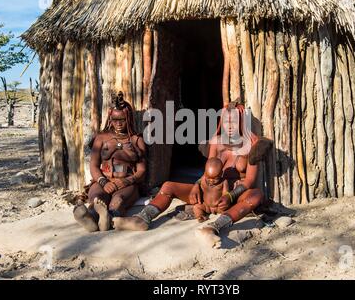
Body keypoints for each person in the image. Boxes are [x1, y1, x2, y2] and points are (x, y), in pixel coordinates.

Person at [113, 101, 266, 248]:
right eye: (226, 121)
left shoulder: (253, 144)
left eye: (234, 121)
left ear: (241, 122)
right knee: (168, 186)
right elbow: (208, 171)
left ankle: (213, 228)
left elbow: (250, 181)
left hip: (233, 197)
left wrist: (231, 195)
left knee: (256, 195)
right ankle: (142, 219)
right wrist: (196, 185)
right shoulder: (216, 141)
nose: (230, 126)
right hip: (210, 191)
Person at [73, 92, 147, 232]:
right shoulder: (101, 138)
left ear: (129, 118)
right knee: (96, 197)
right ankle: (92, 216)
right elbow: (94, 165)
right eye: (114, 119)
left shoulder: (136, 140)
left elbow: (142, 170)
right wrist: (103, 182)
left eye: (122, 119)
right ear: (110, 119)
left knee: (118, 200)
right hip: (104, 179)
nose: (118, 123)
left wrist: (126, 181)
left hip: (126, 182)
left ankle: (109, 217)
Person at [193, 157, 229, 223]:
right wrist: (196, 185)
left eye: (215, 178)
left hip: (218, 207)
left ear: (221, 173)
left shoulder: (224, 182)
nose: (211, 180)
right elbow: (198, 182)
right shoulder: (203, 178)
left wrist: (224, 200)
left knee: (228, 211)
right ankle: (200, 216)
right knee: (196, 207)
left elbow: (226, 194)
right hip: (206, 206)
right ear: (205, 172)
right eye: (208, 178)